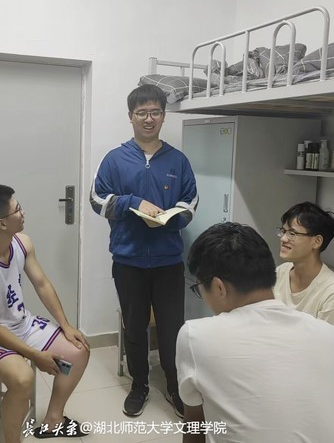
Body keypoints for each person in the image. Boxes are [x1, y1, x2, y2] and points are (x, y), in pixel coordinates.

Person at [177, 222, 334, 443]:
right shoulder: (332, 336)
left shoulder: (196, 336)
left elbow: (195, 427)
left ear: (219, 287)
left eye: (200, 290)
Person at [90, 84, 198, 418]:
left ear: (163, 116)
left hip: (168, 261)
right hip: (128, 260)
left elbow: (190, 203)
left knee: (172, 328)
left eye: (155, 112)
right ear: (130, 116)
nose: (148, 119)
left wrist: (168, 219)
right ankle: (139, 386)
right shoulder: (114, 159)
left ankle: (175, 386)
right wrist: (134, 203)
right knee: (135, 327)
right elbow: (97, 200)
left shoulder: (178, 160)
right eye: (141, 113)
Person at [0, 185, 90, 442]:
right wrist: (35, 355)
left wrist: (65, 325)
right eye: (17, 209)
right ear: (2, 223)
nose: (23, 213)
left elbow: (41, 284)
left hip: (20, 323)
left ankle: (54, 420)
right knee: (23, 379)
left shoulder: (22, 242)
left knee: (78, 349)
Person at [273, 201, 334, 343]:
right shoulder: (281, 272)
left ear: (317, 241)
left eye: (292, 233)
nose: (283, 239)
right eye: (283, 231)